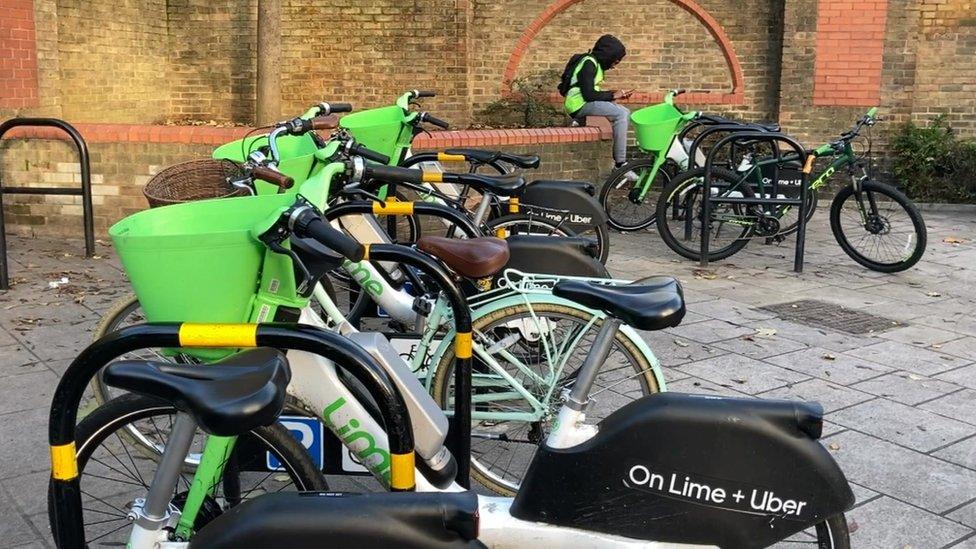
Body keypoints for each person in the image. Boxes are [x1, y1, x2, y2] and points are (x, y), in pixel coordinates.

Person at [560, 34, 634, 175]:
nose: (614, 65)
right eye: (615, 61)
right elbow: (588, 94)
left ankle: (577, 121)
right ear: (608, 56)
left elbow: (592, 92)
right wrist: (612, 95)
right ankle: (620, 163)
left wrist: (615, 95)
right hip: (578, 105)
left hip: (582, 103)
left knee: (623, 110)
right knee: (621, 113)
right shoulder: (589, 63)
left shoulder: (594, 63)